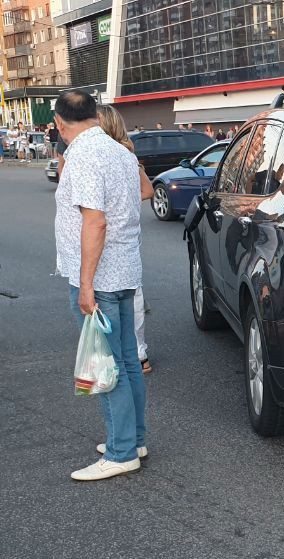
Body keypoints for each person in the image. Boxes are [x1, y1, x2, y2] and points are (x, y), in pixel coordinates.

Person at [53, 90, 147, 481]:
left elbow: (96, 221)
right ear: (94, 113)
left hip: (101, 278)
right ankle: (133, 438)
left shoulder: (83, 155)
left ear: (58, 123)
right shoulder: (119, 151)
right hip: (125, 272)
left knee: (107, 367)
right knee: (127, 362)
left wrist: (86, 284)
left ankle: (122, 451)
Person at [95, 104, 154, 374]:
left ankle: (133, 353)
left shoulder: (121, 156)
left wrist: (119, 206)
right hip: (119, 235)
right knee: (127, 295)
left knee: (126, 296)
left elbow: (148, 190)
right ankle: (133, 353)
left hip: (116, 236)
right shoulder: (119, 156)